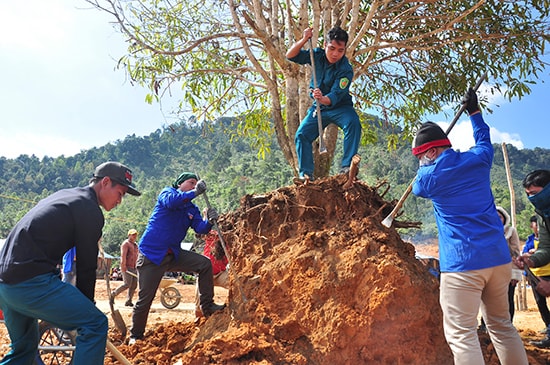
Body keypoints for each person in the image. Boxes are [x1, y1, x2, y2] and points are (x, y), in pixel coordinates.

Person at [411, 87, 528, 364]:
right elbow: (484, 138)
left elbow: (417, 186)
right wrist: (475, 112)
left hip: (463, 265)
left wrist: (427, 163)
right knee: (502, 326)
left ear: (433, 152)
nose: (420, 162)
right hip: (498, 260)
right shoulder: (479, 159)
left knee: (462, 334)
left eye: (421, 156)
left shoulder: (429, 178)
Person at [0, 161, 141, 365]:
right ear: (105, 182)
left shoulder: (67, 195)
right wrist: (87, 306)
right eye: (120, 193)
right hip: (30, 281)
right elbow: (86, 265)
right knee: (95, 324)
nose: (120, 200)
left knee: (24, 350)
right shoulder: (90, 210)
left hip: (5, 284)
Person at [129, 172, 225, 344]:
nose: (194, 186)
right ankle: (135, 335)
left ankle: (208, 306)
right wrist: (195, 192)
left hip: (173, 254)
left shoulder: (191, 209)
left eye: (196, 184)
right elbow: (173, 202)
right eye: (191, 182)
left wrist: (210, 220)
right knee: (145, 299)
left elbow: (200, 228)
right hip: (152, 254)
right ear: (180, 184)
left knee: (204, 264)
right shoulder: (167, 193)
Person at [286, 26, 361, 181]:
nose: (335, 54)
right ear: (325, 45)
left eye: (340, 50)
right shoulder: (317, 55)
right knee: (301, 135)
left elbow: (335, 96)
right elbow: (291, 55)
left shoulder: (345, 69)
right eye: (332, 48)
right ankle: (305, 175)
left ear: (344, 50)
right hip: (318, 108)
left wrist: (322, 98)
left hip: (340, 107)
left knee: (353, 123)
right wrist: (304, 39)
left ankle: (346, 168)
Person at [515, 169, 550, 347]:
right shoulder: (542, 215)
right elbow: (546, 247)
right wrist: (532, 260)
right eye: (528, 195)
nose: (531, 199)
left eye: (535, 194)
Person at [478, 206, 523, 331]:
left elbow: (515, 253)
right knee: (487, 299)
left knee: (508, 299)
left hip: (507, 272)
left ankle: (508, 325)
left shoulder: (511, 232)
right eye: (495, 216)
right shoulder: (484, 232)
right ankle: (484, 325)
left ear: (505, 219)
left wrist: (515, 274)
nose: (497, 219)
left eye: (500, 217)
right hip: (488, 272)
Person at [521, 215, 550, 336]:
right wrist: (530, 260)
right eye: (536, 225)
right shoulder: (530, 240)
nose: (538, 227)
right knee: (540, 303)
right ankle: (548, 327)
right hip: (535, 276)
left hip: (548, 273)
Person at [194, 230, 229, 319]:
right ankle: (200, 320)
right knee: (199, 306)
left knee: (234, 283)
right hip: (205, 275)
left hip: (220, 274)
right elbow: (200, 231)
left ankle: (233, 305)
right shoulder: (212, 235)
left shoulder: (231, 239)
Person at [111, 229, 140, 307]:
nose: (134, 236)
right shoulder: (126, 244)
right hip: (127, 267)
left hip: (134, 268)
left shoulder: (136, 245)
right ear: (129, 235)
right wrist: (123, 266)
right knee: (127, 284)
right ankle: (113, 294)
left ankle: (129, 301)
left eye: (135, 235)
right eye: (133, 235)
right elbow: (123, 255)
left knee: (134, 285)